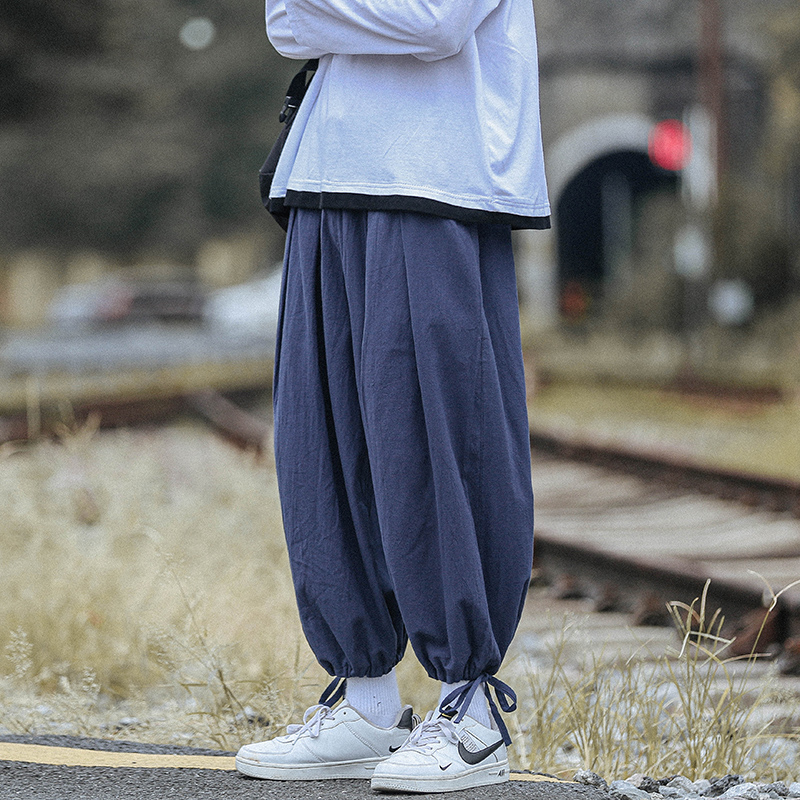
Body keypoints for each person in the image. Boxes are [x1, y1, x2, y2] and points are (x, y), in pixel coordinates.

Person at [236, 0, 550, 792]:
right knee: (322, 445)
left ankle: (471, 710)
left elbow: (435, 22)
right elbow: (283, 22)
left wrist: (336, 14)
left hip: (437, 177)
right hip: (323, 173)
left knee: (440, 441)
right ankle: (367, 703)